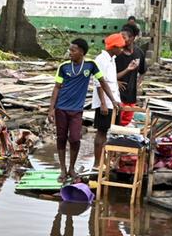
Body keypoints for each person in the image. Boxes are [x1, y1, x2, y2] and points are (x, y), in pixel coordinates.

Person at [47, 38, 119, 180]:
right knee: (61, 138)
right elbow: (56, 88)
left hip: (76, 110)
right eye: (70, 50)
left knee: (74, 138)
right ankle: (63, 169)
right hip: (61, 108)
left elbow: (102, 82)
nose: (70, 53)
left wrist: (112, 100)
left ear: (81, 52)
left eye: (73, 50)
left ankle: (72, 168)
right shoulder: (64, 67)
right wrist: (51, 109)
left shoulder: (90, 65)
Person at [91, 33, 134, 163]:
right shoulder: (101, 60)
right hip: (105, 103)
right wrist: (103, 103)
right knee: (101, 132)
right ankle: (97, 163)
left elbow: (112, 79)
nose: (121, 50)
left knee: (111, 132)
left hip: (114, 101)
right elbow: (98, 83)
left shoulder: (112, 59)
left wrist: (128, 69)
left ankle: (106, 162)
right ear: (113, 47)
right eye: (120, 47)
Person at [114, 24, 147, 126]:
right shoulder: (117, 54)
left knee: (126, 123)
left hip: (131, 95)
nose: (121, 40)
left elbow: (143, 71)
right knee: (116, 123)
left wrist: (138, 84)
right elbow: (107, 75)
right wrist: (115, 82)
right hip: (118, 96)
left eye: (124, 38)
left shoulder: (139, 53)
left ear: (132, 38)